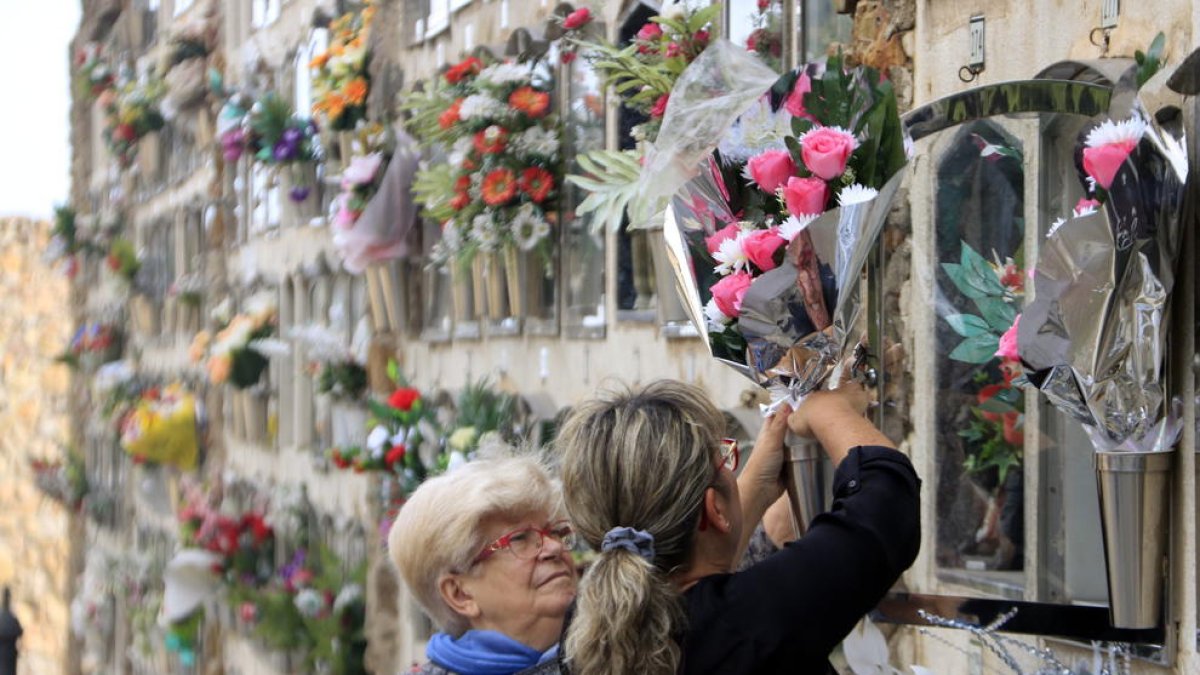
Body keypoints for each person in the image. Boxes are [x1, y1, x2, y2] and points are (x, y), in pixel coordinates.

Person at [555, 379, 921, 674]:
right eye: (726, 462)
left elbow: (697, 593)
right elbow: (884, 506)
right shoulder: (751, 619)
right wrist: (830, 410)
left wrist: (751, 493)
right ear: (714, 509)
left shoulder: (589, 628)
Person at [388, 455, 577, 675]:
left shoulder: (615, 654)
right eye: (520, 538)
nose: (554, 548)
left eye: (553, 531)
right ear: (460, 594)